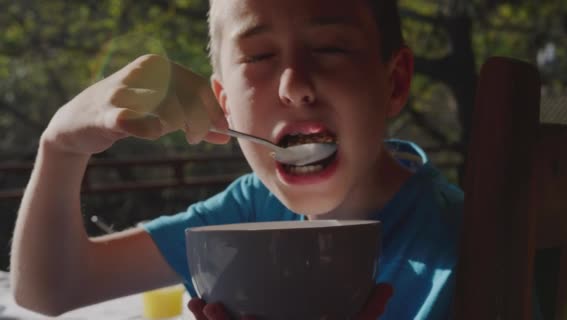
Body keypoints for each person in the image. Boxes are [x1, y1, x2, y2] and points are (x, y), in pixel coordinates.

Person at [10, 0, 463, 319]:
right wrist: (61, 147)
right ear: (224, 104)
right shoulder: (253, 209)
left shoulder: (470, 235)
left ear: (396, 82)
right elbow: (50, 288)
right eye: (260, 55)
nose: (293, 84)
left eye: (330, 48)